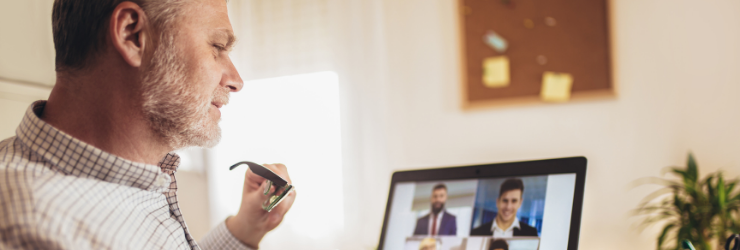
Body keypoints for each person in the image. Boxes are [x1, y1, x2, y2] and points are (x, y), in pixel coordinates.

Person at [0, 0, 295, 249]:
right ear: (132, 35)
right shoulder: (30, 228)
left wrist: (245, 229)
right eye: (217, 45)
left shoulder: (127, 182)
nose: (236, 81)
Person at [470, 178, 538, 237]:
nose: (508, 207)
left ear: (520, 203)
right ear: (498, 202)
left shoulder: (531, 233)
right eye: (505, 200)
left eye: (514, 201)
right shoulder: (476, 233)